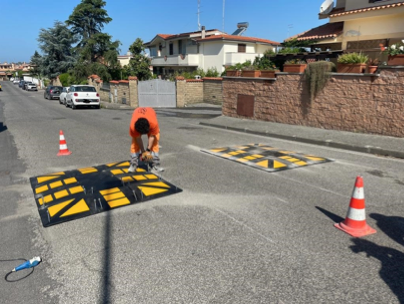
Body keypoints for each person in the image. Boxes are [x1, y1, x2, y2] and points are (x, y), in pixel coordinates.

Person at [128, 107, 162, 172]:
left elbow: (152, 137)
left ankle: (155, 164)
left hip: (150, 113)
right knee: (134, 143)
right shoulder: (133, 127)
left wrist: (148, 150)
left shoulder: (153, 123)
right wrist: (143, 151)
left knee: (155, 141)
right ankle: (133, 164)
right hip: (137, 112)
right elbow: (138, 138)